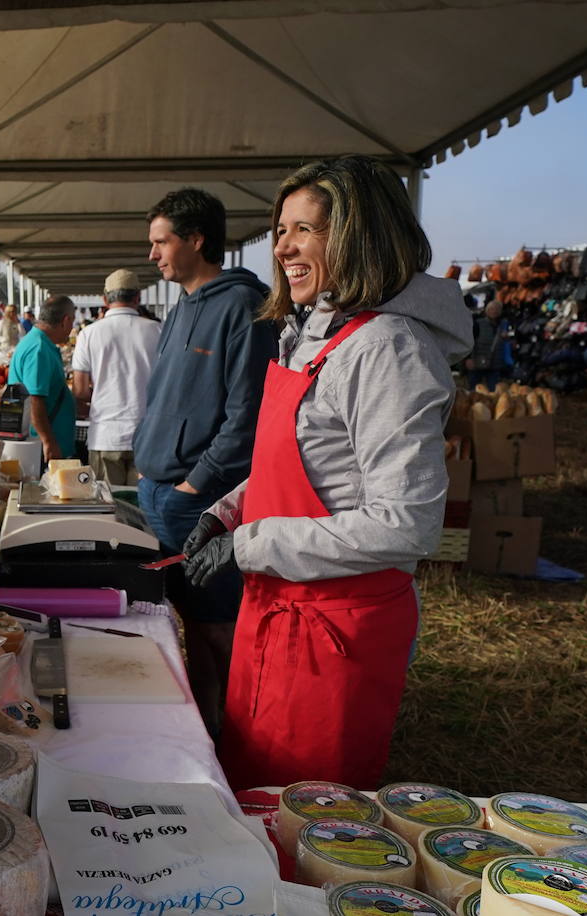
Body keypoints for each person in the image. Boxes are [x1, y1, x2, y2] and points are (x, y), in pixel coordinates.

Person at [180, 156, 473, 790]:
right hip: (277, 606)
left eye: (304, 230)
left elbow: (408, 524)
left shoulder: (389, 347)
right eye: (280, 229)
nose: (282, 246)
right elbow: (302, 463)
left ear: (359, 236)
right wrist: (226, 511)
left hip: (334, 630)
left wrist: (252, 543)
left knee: (305, 812)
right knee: (254, 790)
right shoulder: (313, 332)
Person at [133, 186, 275, 734]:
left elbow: (246, 418)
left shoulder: (243, 307)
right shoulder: (180, 308)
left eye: (161, 241)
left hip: (198, 500)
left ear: (196, 240)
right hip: (161, 490)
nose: (153, 254)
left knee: (218, 627)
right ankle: (204, 729)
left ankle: (238, 733)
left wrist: (197, 485)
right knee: (188, 622)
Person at [71, 269, 161, 485]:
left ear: (104, 299)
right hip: (148, 435)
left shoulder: (88, 334)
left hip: (105, 434)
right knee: (142, 511)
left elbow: (80, 391)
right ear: (138, 298)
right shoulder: (158, 330)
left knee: (108, 511)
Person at [9, 296, 77, 460]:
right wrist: (48, 441)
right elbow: (35, 400)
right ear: (65, 320)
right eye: (73, 321)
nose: (72, 327)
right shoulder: (38, 348)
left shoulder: (40, 343)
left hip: (42, 443)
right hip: (40, 447)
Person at [465, 298, 510, 390]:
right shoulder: (478, 324)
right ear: (487, 310)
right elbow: (468, 341)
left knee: (493, 392)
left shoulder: (504, 325)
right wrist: (468, 358)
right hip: (477, 362)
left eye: (497, 309)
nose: (494, 311)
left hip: (495, 364)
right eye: (492, 309)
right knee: (474, 391)